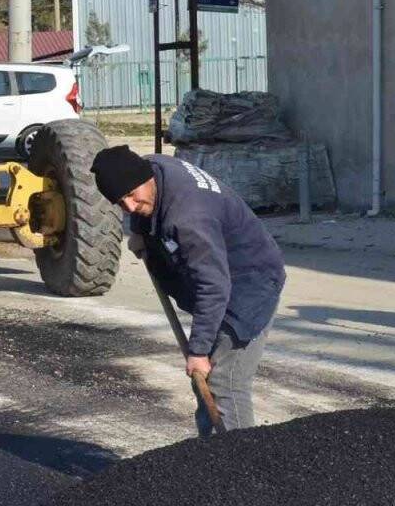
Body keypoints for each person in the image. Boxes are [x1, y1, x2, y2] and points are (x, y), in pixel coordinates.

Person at [90, 145, 285, 437]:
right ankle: (207, 459)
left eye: (131, 196)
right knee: (204, 379)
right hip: (223, 275)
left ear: (145, 179)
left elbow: (213, 287)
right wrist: (141, 232)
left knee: (224, 382)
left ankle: (242, 466)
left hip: (250, 285)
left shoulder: (189, 217)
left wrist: (198, 350)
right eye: (121, 202)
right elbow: (140, 204)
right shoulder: (154, 169)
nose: (129, 206)